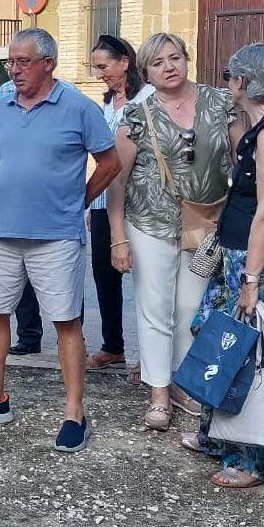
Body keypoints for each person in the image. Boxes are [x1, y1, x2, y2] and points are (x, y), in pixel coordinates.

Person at [0, 29, 120, 454]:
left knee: (66, 321)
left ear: (48, 63)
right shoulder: (4, 101)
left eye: (23, 61)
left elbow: (111, 161)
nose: (15, 69)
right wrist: (17, 186)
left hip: (57, 236)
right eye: (11, 62)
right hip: (1, 231)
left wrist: (78, 198)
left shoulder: (79, 108)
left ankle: (74, 412)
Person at [181, 43, 264, 488]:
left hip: (263, 262)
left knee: (256, 354)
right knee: (220, 339)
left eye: (229, 75)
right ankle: (220, 436)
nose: (226, 82)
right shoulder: (261, 127)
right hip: (239, 254)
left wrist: (251, 277)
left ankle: (256, 458)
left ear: (244, 82)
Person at [106, 32, 240, 431]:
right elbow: (117, 180)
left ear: (186, 59)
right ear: (145, 70)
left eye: (175, 57)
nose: (169, 66)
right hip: (151, 223)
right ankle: (159, 393)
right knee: (154, 307)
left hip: (207, 224)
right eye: (159, 62)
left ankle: (183, 383)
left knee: (191, 308)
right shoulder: (137, 114)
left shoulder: (220, 103)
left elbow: (242, 156)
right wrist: (118, 237)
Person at [84, 35, 154, 374]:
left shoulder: (148, 98)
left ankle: (151, 355)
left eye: (103, 66)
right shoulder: (107, 103)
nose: (99, 74)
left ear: (125, 61)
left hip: (140, 204)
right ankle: (113, 346)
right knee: (104, 275)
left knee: (146, 279)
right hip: (102, 203)